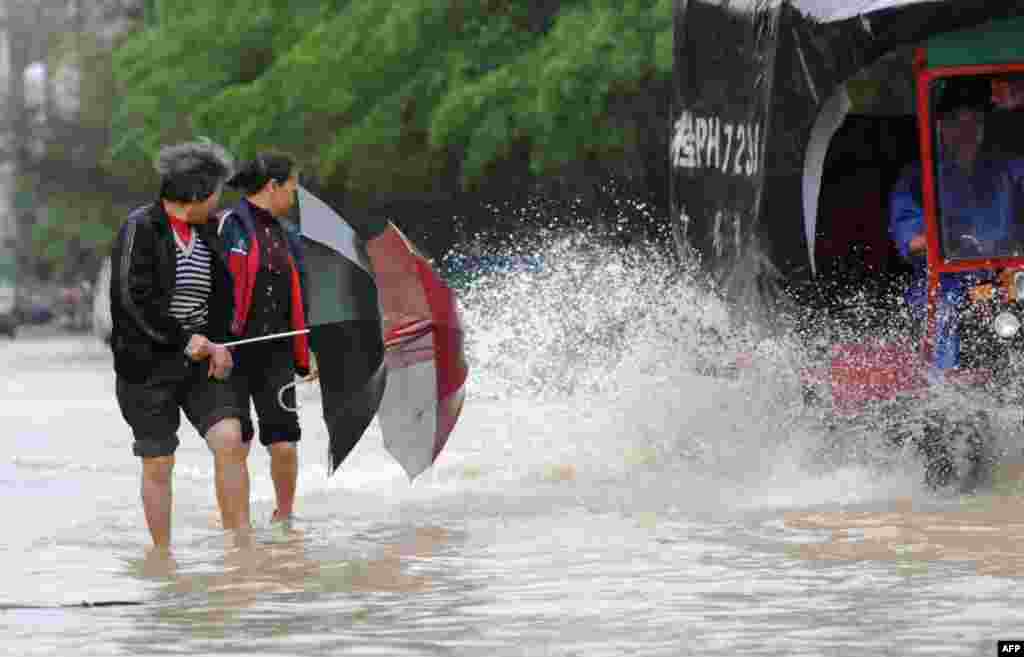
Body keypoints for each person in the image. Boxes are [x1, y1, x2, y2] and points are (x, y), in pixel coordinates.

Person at [110, 140, 251, 551]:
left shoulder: (212, 232)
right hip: (147, 365)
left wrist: (222, 344)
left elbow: (224, 299)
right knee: (158, 461)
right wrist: (185, 339)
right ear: (195, 195)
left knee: (230, 438)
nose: (218, 202)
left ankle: (239, 546)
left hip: (203, 362)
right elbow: (132, 300)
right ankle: (163, 557)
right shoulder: (141, 227)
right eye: (215, 194)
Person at [889, 76, 1024, 369]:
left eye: (973, 122)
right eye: (955, 123)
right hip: (947, 277)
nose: (965, 132)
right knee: (942, 306)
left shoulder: (1007, 167)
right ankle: (942, 386)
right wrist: (947, 238)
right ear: (939, 127)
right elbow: (911, 238)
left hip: (1007, 273)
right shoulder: (918, 177)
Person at [218, 152, 310, 524]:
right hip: (232, 353)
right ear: (272, 186)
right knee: (236, 442)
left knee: (284, 444)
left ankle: (284, 517)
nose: (294, 195)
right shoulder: (225, 226)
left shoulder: (290, 235)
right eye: (292, 187)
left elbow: (303, 296)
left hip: (277, 354)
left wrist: (311, 351)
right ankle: (237, 527)